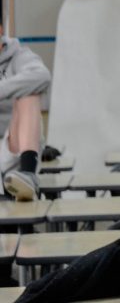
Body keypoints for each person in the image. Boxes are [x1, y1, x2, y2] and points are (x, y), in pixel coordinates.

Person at [0, 24, 50, 201]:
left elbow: (42, 76)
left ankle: (28, 173)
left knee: (28, 92)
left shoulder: (20, 56)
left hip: (14, 148)